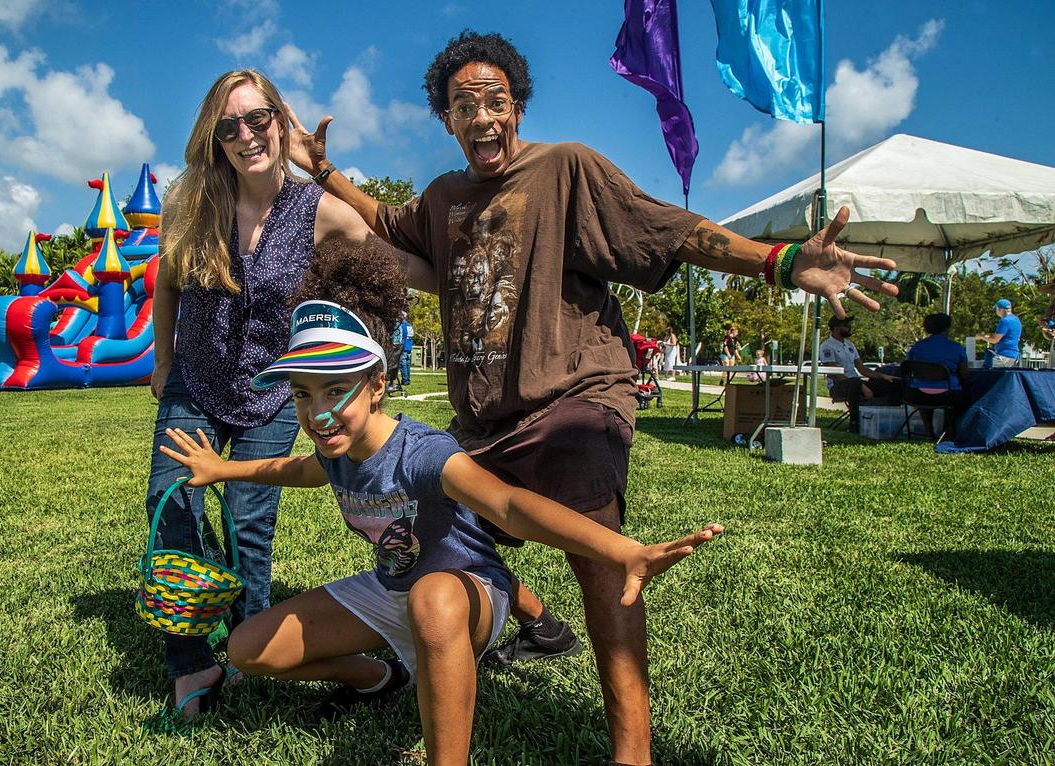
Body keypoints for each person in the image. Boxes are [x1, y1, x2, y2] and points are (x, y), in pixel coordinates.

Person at [283, 30, 896, 764]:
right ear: (447, 120)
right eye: (463, 106)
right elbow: (384, 222)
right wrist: (323, 172)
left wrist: (782, 260)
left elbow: (673, 229)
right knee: (442, 556)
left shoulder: (566, 169)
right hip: (484, 426)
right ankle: (515, 637)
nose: (482, 118)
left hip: (575, 400)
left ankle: (631, 754)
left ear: (518, 106)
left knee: (604, 574)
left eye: (495, 101)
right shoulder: (445, 199)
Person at [158, 237, 723, 765]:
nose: (317, 411)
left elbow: (507, 505)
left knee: (431, 599)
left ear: (377, 384)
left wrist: (620, 550)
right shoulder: (336, 449)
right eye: (303, 394)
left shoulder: (423, 453)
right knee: (247, 647)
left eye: (336, 389)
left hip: (466, 596)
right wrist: (221, 468)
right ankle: (379, 678)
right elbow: (298, 470)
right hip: (393, 590)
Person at [144, 68, 379, 722]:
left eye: (258, 119)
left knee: (250, 518)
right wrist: (163, 359)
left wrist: (324, 170)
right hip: (196, 376)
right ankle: (191, 661)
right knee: (171, 504)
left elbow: (389, 249)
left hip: (272, 389)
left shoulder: (318, 210)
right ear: (214, 139)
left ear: (281, 120)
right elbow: (164, 282)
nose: (246, 135)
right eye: (229, 127)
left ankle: (247, 643)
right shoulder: (190, 201)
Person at [819, 315, 901, 431]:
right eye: (847, 326)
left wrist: (883, 376)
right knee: (855, 383)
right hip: (838, 386)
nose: (850, 328)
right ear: (837, 327)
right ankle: (854, 422)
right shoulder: (826, 346)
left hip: (856, 382)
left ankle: (888, 420)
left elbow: (862, 369)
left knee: (890, 383)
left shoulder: (850, 345)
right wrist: (862, 386)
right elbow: (833, 373)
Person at [905, 313, 969, 440]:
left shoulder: (917, 347)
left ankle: (929, 431)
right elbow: (964, 374)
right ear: (946, 328)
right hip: (947, 395)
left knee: (925, 389)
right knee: (963, 396)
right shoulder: (956, 347)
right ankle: (951, 431)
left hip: (918, 394)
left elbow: (908, 368)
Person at [977, 298, 1022, 368]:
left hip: (1004, 356)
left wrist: (981, 337)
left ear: (999, 309)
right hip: (1014, 355)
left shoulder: (1005, 321)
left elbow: (995, 340)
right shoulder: (1016, 319)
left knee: (989, 375)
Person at [395, 310, 414, 385]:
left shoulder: (401, 326)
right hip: (409, 347)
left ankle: (405, 380)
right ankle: (408, 380)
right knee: (407, 364)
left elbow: (399, 337)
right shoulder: (409, 325)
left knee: (403, 364)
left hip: (403, 347)